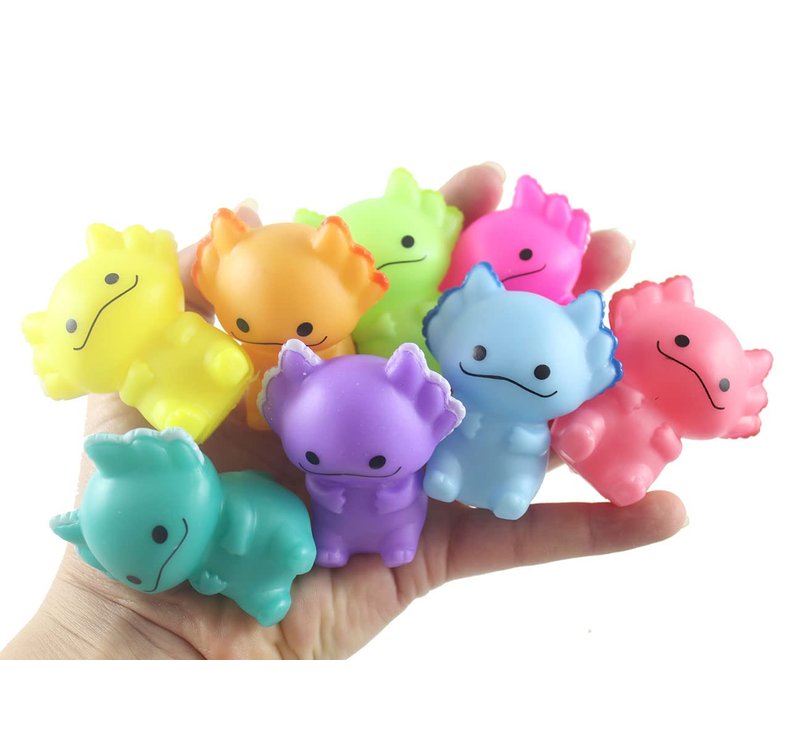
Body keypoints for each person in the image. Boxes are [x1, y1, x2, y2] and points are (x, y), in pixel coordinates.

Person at [0, 163, 686, 659]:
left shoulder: (436, 387)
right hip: (312, 485)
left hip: (417, 485)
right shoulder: (275, 395)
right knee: (337, 522)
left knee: (442, 495)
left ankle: (453, 489)